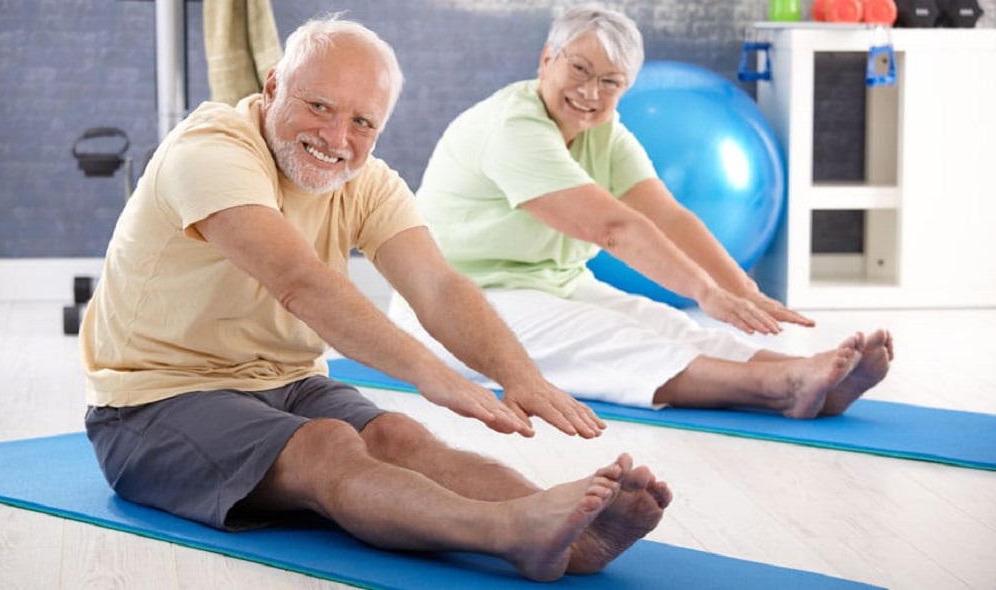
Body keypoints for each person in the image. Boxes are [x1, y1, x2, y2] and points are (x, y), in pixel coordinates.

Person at [79, 15, 670, 582]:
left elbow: (437, 286)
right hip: (153, 405)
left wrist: (520, 375)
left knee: (400, 438)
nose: (337, 138)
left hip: (285, 384)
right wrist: (431, 373)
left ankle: (575, 533)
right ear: (273, 86)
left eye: (363, 123)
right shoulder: (211, 151)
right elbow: (299, 281)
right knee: (328, 444)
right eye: (319, 107)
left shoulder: (367, 181)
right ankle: (510, 532)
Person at [389, 6, 894, 418]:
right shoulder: (514, 129)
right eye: (579, 70)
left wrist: (742, 290)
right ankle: (778, 387)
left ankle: (812, 376)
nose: (591, 93)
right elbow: (613, 228)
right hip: (447, 305)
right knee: (608, 339)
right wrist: (703, 291)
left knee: (664, 322)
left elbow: (669, 216)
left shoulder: (603, 133)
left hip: (545, 285)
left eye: (610, 83)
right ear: (548, 58)